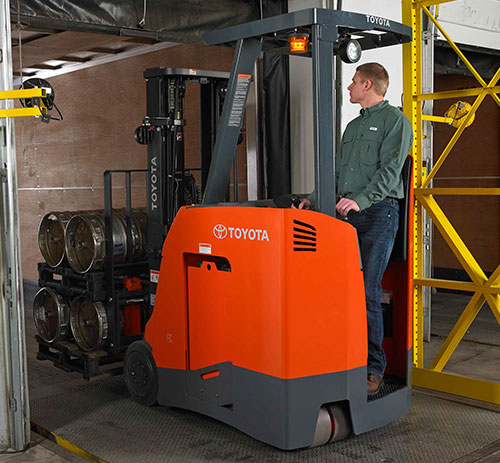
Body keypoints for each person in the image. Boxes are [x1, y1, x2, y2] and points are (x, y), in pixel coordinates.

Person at [295, 62, 413, 395]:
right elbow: (335, 172)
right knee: (334, 290)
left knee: (367, 294)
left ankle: (373, 369)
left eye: (354, 82)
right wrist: (314, 199)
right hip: (347, 213)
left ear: (368, 85)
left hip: (378, 214)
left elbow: (390, 173)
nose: (348, 87)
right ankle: (339, 361)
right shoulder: (352, 127)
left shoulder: (396, 122)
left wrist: (360, 200)